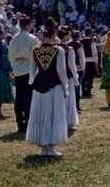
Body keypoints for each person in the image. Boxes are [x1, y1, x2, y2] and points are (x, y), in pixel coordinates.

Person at [27, 20, 69, 157]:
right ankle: (51, 147)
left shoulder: (35, 50)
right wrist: (65, 87)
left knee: (41, 113)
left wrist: (32, 82)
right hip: (54, 84)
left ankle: (44, 147)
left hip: (39, 84)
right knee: (53, 113)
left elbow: (32, 70)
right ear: (53, 35)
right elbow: (61, 71)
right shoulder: (58, 50)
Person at [8, 16, 39, 134]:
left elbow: (10, 56)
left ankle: (20, 122)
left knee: (19, 97)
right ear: (27, 25)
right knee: (29, 98)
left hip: (18, 71)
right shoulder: (32, 38)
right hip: (29, 70)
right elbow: (37, 55)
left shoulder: (14, 39)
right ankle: (28, 121)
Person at [58, 27, 80, 136]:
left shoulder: (56, 48)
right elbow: (72, 66)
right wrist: (76, 80)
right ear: (66, 36)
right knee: (69, 99)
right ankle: (68, 121)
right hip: (68, 77)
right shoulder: (69, 49)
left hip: (57, 78)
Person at [80, 29, 98, 98]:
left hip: (83, 61)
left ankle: (83, 91)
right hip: (90, 61)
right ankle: (88, 91)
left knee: (84, 77)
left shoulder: (81, 41)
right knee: (90, 77)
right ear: (90, 33)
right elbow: (94, 53)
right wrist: (96, 62)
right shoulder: (92, 42)